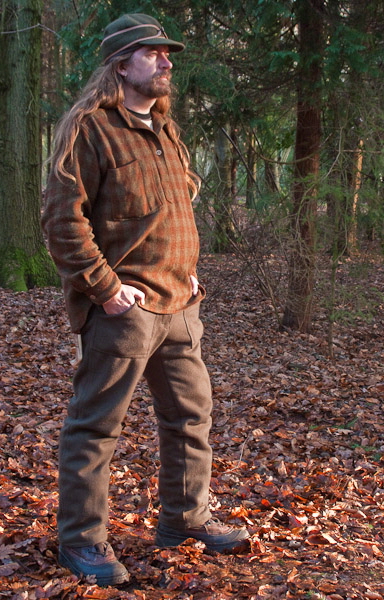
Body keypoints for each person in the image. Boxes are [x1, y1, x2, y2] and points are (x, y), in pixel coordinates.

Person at [42, 13, 248, 587]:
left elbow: (170, 213)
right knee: (95, 427)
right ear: (119, 64)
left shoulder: (163, 128)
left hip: (182, 307)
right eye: (152, 52)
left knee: (190, 417)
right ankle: (81, 540)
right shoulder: (88, 128)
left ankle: (184, 521)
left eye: (166, 52)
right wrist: (106, 291)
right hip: (124, 313)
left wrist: (191, 273)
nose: (166, 61)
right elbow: (62, 222)